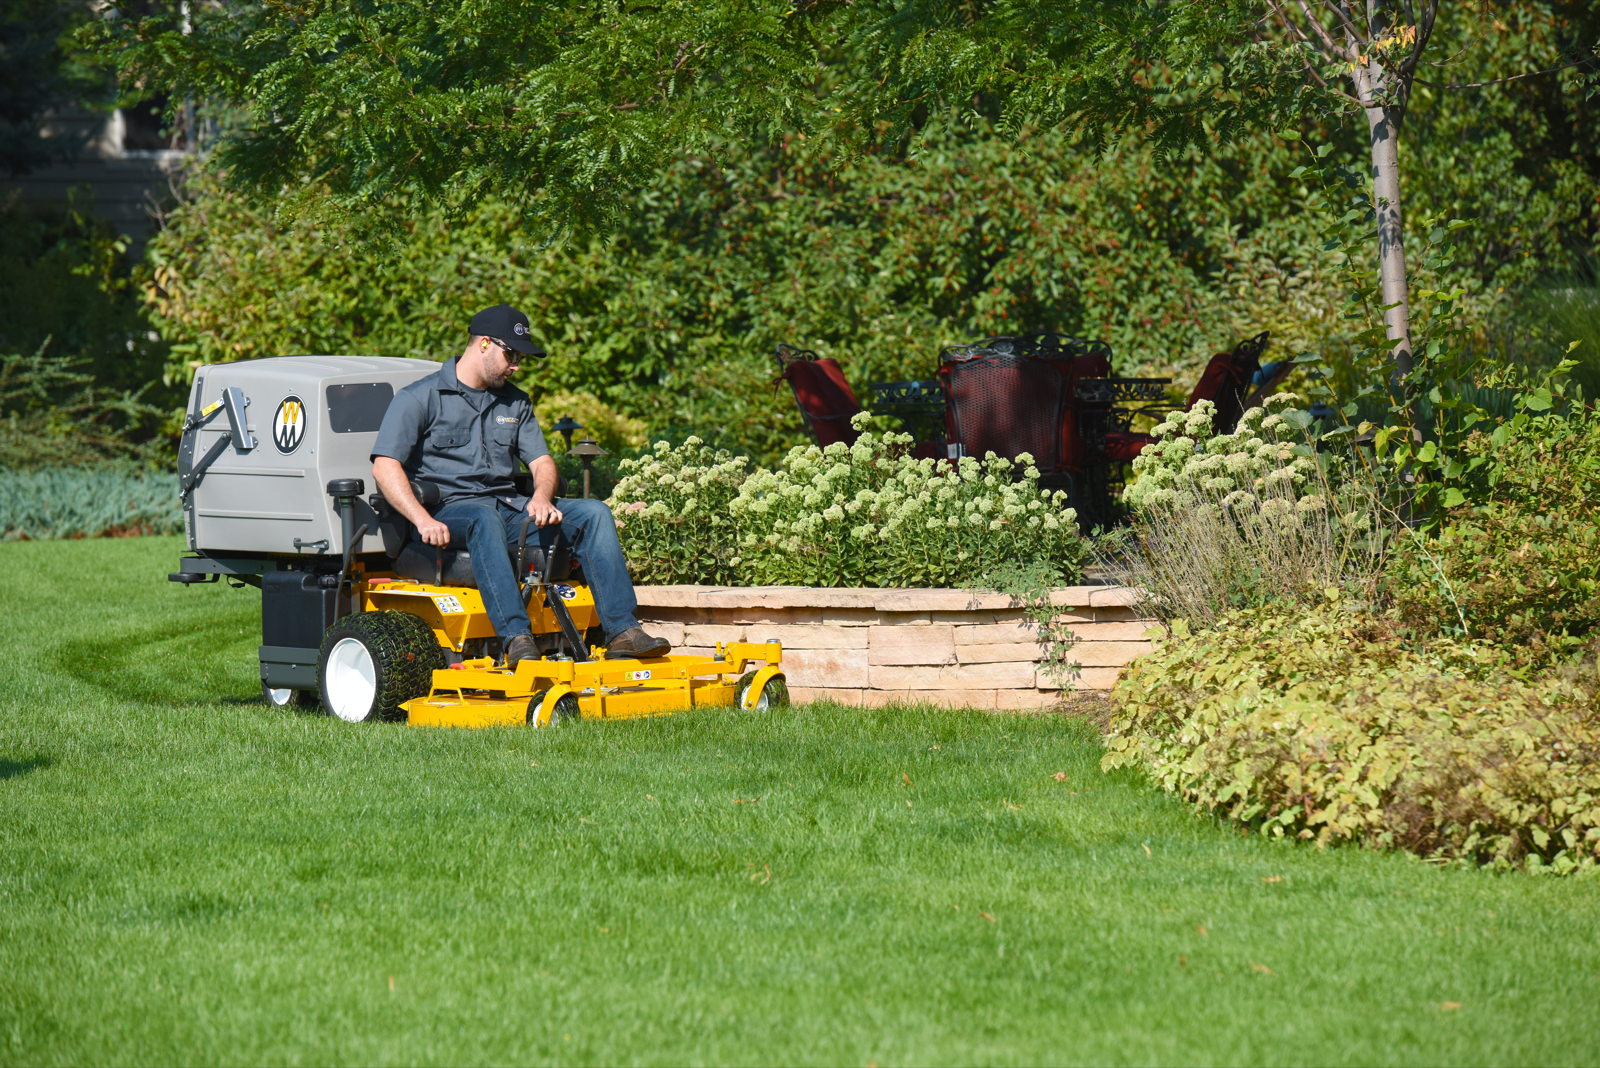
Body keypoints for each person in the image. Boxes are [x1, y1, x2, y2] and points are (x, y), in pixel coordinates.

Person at [370, 303, 670, 667]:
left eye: (520, 359)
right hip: (451, 515)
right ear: (483, 343)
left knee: (594, 513)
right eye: (510, 354)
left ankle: (623, 631)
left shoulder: (516, 402)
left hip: (507, 509)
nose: (515, 365)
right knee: (483, 517)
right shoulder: (419, 397)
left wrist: (542, 497)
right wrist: (421, 520)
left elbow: (543, 462)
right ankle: (516, 637)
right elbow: (385, 466)